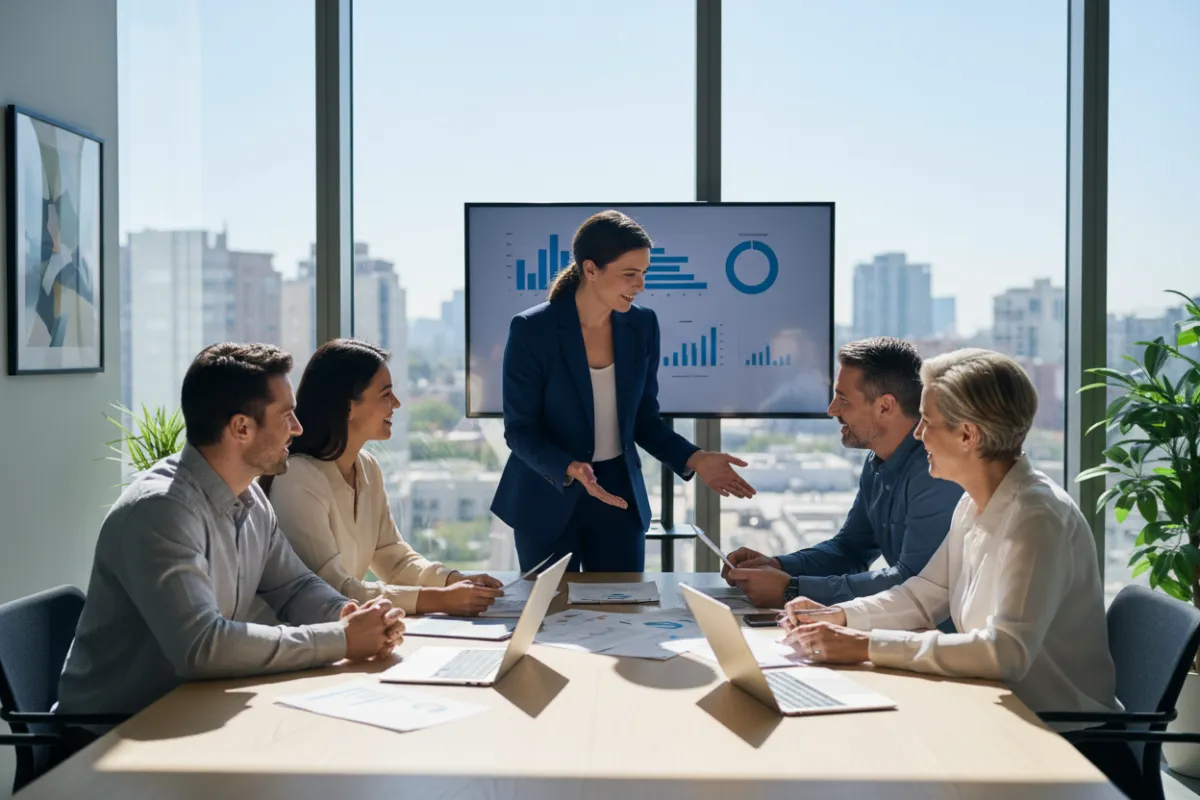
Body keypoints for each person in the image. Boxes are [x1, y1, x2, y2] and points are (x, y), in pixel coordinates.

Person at [779, 349, 1133, 787]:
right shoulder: (974, 502)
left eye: (927, 422)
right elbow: (925, 592)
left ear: (968, 435)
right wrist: (841, 617)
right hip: (1001, 720)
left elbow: (1005, 653)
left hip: (1066, 748)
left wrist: (866, 645)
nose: (919, 435)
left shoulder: (1036, 518)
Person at [57, 343, 404, 734]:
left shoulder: (251, 496)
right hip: (111, 737)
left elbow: (294, 586)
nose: (298, 427)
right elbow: (203, 647)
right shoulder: (161, 512)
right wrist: (339, 639)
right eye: (286, 415)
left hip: (194, 713)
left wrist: (347, 615)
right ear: (241, 427)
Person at [491, 210, 756, 572]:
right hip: (547, 494)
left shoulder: (642, 325)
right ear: (590, 269)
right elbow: (520, 430)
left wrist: (696, 458)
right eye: (630, 274)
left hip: (617, 495)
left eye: (644, 274)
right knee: (552, 618)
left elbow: (644, 420)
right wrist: (569, 467)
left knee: (623, 612)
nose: (640, 285)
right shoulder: (532, 329)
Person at [265, 338, 504, 617]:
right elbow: (332, 588)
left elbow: (394, 559)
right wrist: (441, 600)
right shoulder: (298, 478)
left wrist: (455, 581)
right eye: (386, 394)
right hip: (300, 641)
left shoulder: (367, 467)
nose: (397, 403)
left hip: (340, 631)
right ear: (348, 406)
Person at [723, 337, 963, 611]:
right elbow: (851, 549)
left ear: (885, 406)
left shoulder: (936, 472)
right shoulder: (877, 461)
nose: (832, 409)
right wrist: (776, 565)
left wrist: (791, 589)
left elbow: (911, 583)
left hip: (942, 643)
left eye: (843, 399)